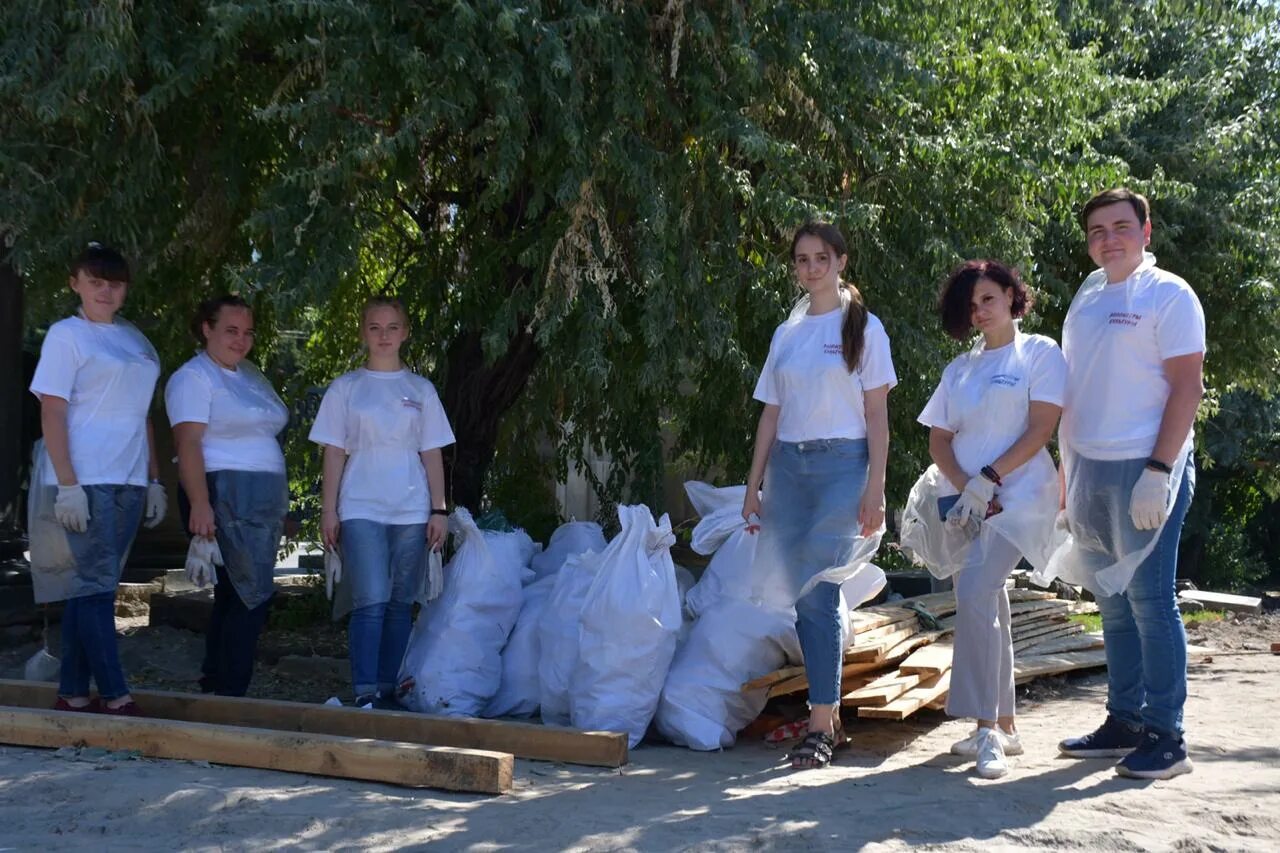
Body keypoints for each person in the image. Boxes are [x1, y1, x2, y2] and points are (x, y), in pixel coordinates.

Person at [1048, 189, 1205, 780]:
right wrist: (1067, 477)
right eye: (1096, 230)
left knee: (1149, 602)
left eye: (1120, 227)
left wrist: (1160, 472)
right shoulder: (1088, 295)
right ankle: (1125, 721)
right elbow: (1079, 391)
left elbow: (1187, 386)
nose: (1108, 239)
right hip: (1089, 467)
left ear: (1146, 230)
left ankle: (1168, 737)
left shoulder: (1170, 294)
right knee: (1110, 603)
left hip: (1146, 466)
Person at [900, 260, 1066, 778]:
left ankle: (983, 727)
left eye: (989, 299)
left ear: (1013, 296)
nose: (979, 311)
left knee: (973, 590)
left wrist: (989, 477)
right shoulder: (960, 370)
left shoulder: (1040, 353)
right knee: (986, 597)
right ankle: (1006, 726)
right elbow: (939, 439)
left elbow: (1042, 428)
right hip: (969, 502)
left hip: (1022, 496)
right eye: (971, 305)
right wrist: (964, 486)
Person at [742, 221, 896, 769]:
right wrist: (753, 484)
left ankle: (820, 724)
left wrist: (875, 486)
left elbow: (878, 416)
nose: (811, 269)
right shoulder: (787, 334)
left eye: (821, 259)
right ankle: (826, 719)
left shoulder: (865, 329)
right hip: (789, 470)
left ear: (841, 262)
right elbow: (771, 412)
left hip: (842, 467)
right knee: (799, 595)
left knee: (817, 592)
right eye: (802, 260)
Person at [29, 244, 167, 716]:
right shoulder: (67, 336)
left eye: (114, 283)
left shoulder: (134, 340)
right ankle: (114, 694)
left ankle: (71, 692)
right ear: (75, 284)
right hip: (84, 478)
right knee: (96, 586)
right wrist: (67, 483)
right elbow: (52, 408)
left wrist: (154, 479)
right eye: (95, 282)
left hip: (128, 476)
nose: (105, 291)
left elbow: (143, 413)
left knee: (92, 584)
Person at [308, 296, 455, 708]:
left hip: (411, 509)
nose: (384, 335)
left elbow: (431, 453)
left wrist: (438, 509)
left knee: (399, 602)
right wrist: (329, 509)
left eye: (392, 327)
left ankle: (389, 691)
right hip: (361, 507)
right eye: (375, 327)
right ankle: (364, 691)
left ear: (405, 332)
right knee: (370, 598)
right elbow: (334, 451)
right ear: (362, 333)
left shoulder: (420, 390)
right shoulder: (346, 388)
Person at [166, 295, 290, 697]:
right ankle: (231, 691)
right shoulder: (194, 378)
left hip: (261, 497)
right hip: (224, 493)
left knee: (235, 593)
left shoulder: (250, 374)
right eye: (231, 331)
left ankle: (216, 680)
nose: (241, 340)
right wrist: (200, 504)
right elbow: (188, 444)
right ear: (207, 328)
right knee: (250, 597)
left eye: (248, 332)